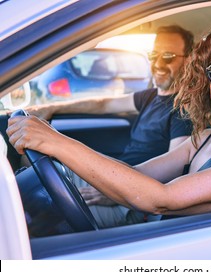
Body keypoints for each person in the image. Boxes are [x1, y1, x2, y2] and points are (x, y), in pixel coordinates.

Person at [7, 21, 211, 220]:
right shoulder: (205, 138)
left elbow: (161, 199)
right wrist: (94, 185)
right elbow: (136, 173)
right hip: (155, 233)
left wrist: (57, 143)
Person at [23, 25, 194, 227]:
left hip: (131, 201)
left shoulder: (183, 110)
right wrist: (51, 108)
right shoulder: (150, 96)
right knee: (34, 181)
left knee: (44, 211)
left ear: (189, 60)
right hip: (117, 178)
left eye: (168, 56)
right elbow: (102, 104)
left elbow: (175, 170)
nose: (157, 63)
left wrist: (115, 193)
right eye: (153, 54)